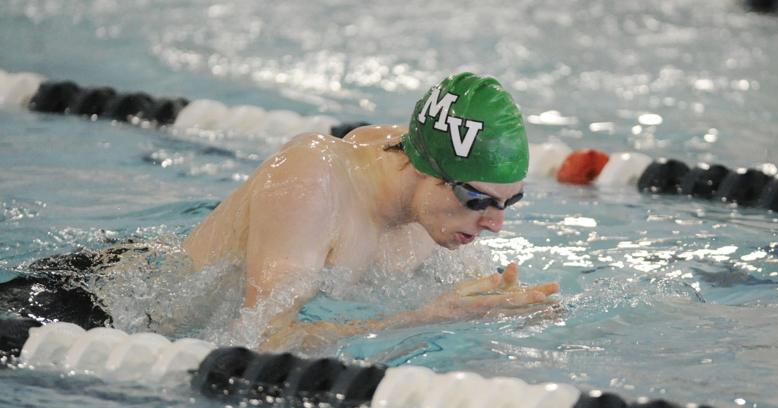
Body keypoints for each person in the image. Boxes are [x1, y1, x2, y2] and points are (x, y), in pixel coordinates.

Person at [183, 72, 559, 352]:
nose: (496, 224)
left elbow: (469, 292)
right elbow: (256, 342)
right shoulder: (312, 184)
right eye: (478, 200)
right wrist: (421, 320)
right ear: (426, 169)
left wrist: (509, 305)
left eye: (510, 202)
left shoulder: (431, 211)